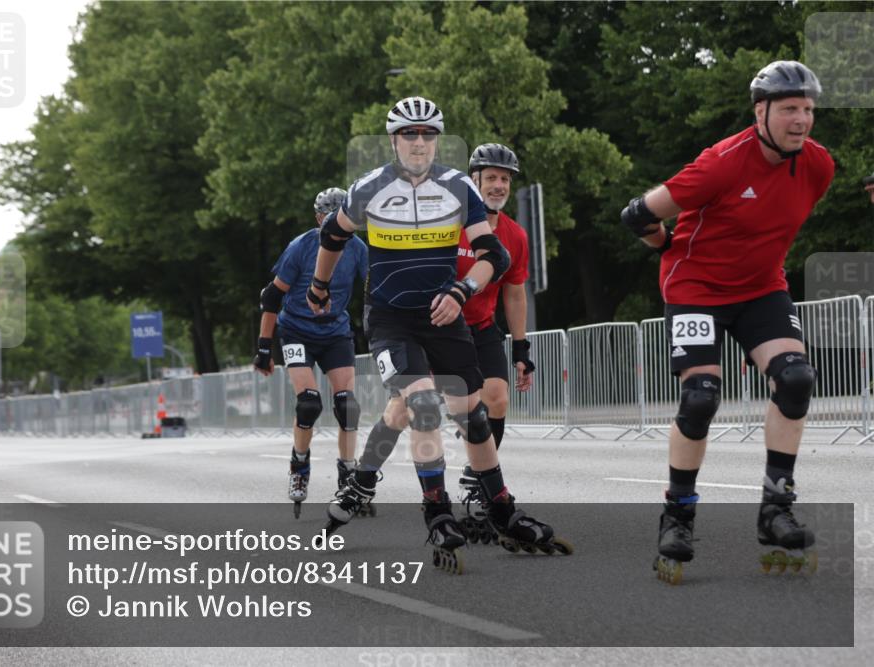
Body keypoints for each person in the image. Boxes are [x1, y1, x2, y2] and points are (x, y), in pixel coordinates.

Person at [308, 96, 569, 573]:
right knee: (422, 404)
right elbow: (333, 235)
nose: (419, 142)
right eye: (410, 134)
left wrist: (462, 288)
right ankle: (437, 512)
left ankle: (503, 511)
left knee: (475, 417)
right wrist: (320, 286)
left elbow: (495, 256)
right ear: (393, 140)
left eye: (429, 134)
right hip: (389, 319)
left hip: (444, 314)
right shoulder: (369, 187)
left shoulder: (456, 188)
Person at [620, 61, 834, 584]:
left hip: (761, 288)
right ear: (760, 111)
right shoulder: (721, 163)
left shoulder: (819, 166)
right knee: (701, 398)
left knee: (796, 378)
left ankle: (774, 507)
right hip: (696, 288)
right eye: (789, 109)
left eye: (808, 109)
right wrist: (666, 246)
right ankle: (679, 515)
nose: (801, 120)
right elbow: (637, 215)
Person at [345, 143, 540, 545]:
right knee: (404, 412)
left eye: (505, 179)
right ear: (474, 181)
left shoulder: (515, 236)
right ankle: (362, 477)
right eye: (491, 179)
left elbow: (515, 294)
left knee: (496, 398)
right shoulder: (446, 218)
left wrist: (521, 349)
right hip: (427, 324)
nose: (499, 186)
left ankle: (479, 481)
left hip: (478, 324)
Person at [253, 187, 368, 518]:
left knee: (348, 405)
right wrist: (264, 346)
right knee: (309, 404)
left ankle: (348, 475)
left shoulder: (358, 249)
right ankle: (299, 466)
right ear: (318, 219)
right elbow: (272, 297)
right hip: (297, 331)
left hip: (335, 332)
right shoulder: (301, 247)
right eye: (328, 219)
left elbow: (371, 290)